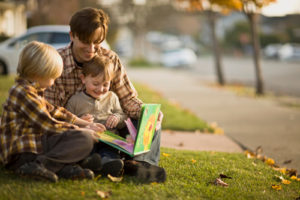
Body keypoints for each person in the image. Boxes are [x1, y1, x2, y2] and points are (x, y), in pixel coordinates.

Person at [44, 7, 166, 182]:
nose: (92, 49)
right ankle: (112, 163)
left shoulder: (110, 59)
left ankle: (139, 164)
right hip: (75, 131)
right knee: (72, 139)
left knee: (148, 119)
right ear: (72, 35)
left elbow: (128, 99)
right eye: (86, 42)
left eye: (97, 42)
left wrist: (147, 113)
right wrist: (80, 125)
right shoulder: (57, 63)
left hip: (110, 131)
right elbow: (50, 112)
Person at [0, 41, 105, 182]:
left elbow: (55, 111)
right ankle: (38, 167)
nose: (54, 82)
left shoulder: (34, 90)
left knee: (83, 140)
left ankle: (63, 167)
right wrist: (80, 131)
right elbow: (48, 124)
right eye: (52, 78)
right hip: (22, 153)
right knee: (83, 137)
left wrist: (82, 124)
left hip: (38, 145)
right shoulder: (22, 93)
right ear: (39, 73)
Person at [66, 55, 127, 177]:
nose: (100, 89)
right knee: (85, 148)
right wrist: (79, 122)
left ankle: (107, 163)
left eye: (105, 84)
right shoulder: (75, 100)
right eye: (95, 83)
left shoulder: (112, 97)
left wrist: (117, 118)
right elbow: (67, 123)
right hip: (88, 140)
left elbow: (122, 115)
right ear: (83, 79)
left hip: (109, 140)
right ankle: (90, 162)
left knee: (110, 151)